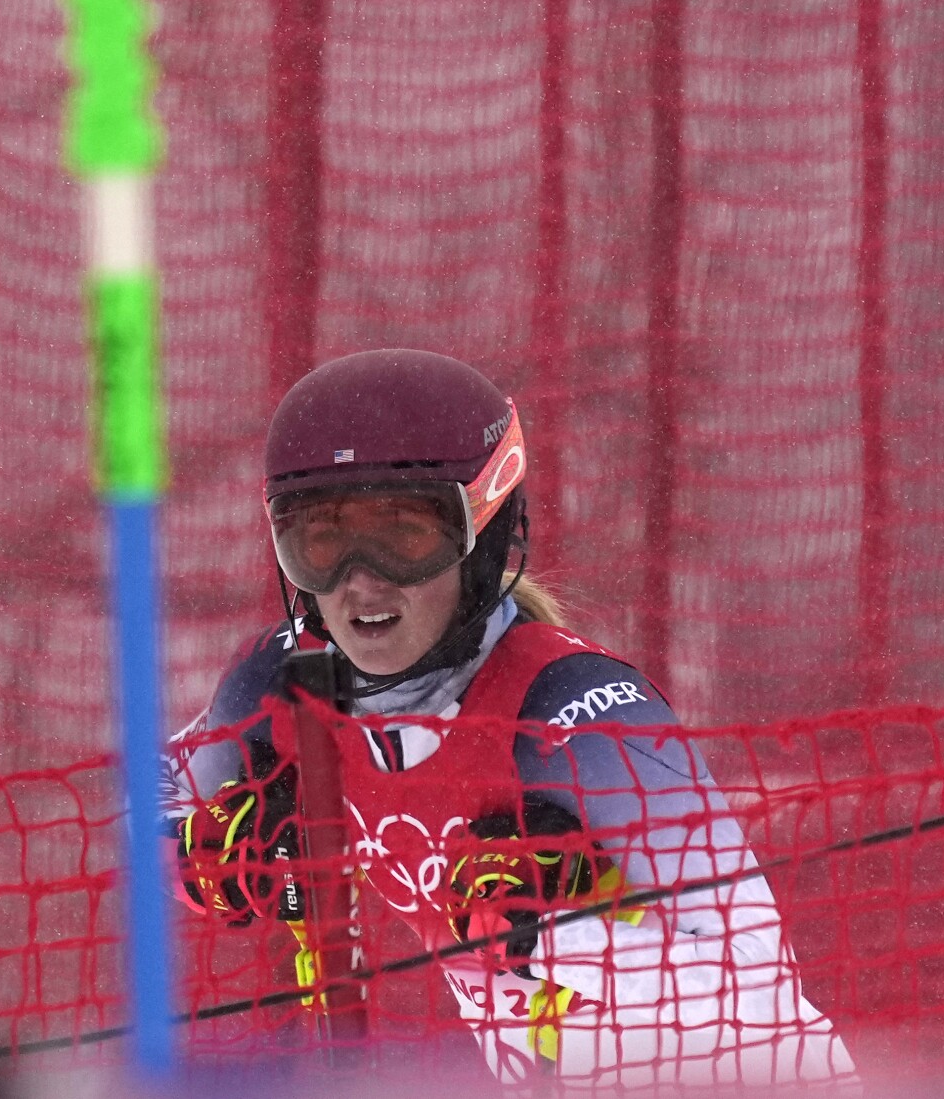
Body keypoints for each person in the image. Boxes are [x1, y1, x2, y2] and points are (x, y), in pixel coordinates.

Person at [162, 349, 854, 1087]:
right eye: (323, 539)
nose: (361, 580)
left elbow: (756, 988)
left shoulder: (575, 713)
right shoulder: (285, 683)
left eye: (403, 532)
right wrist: (203, 858)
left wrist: (547, 933)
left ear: (482, 534)